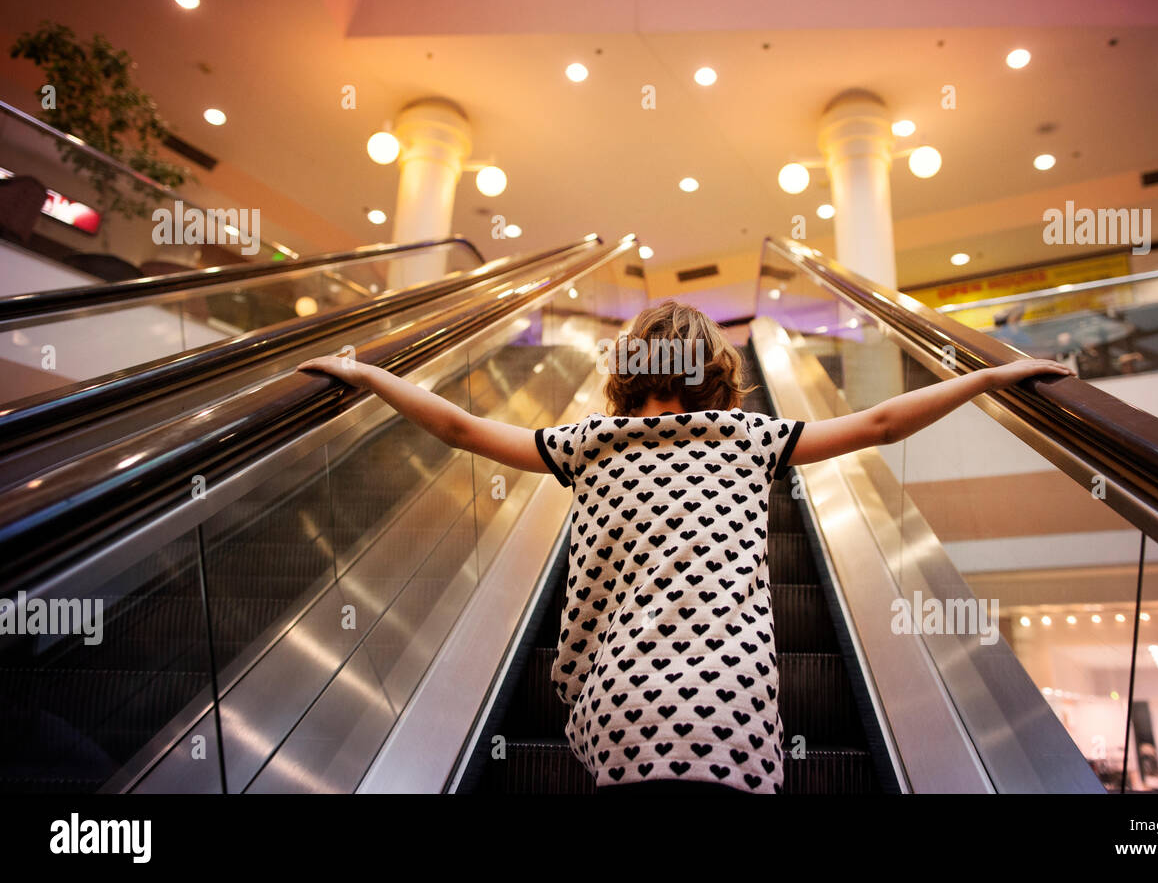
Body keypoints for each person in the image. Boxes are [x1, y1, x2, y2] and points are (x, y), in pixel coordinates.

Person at [298, 299, 1074, 793]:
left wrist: (365, 377)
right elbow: (881, 422)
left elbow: (462, 427)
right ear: (714, 371)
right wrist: (990, 377)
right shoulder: (749, 436)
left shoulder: (589, 443)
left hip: (623, 699)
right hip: (731, 700)